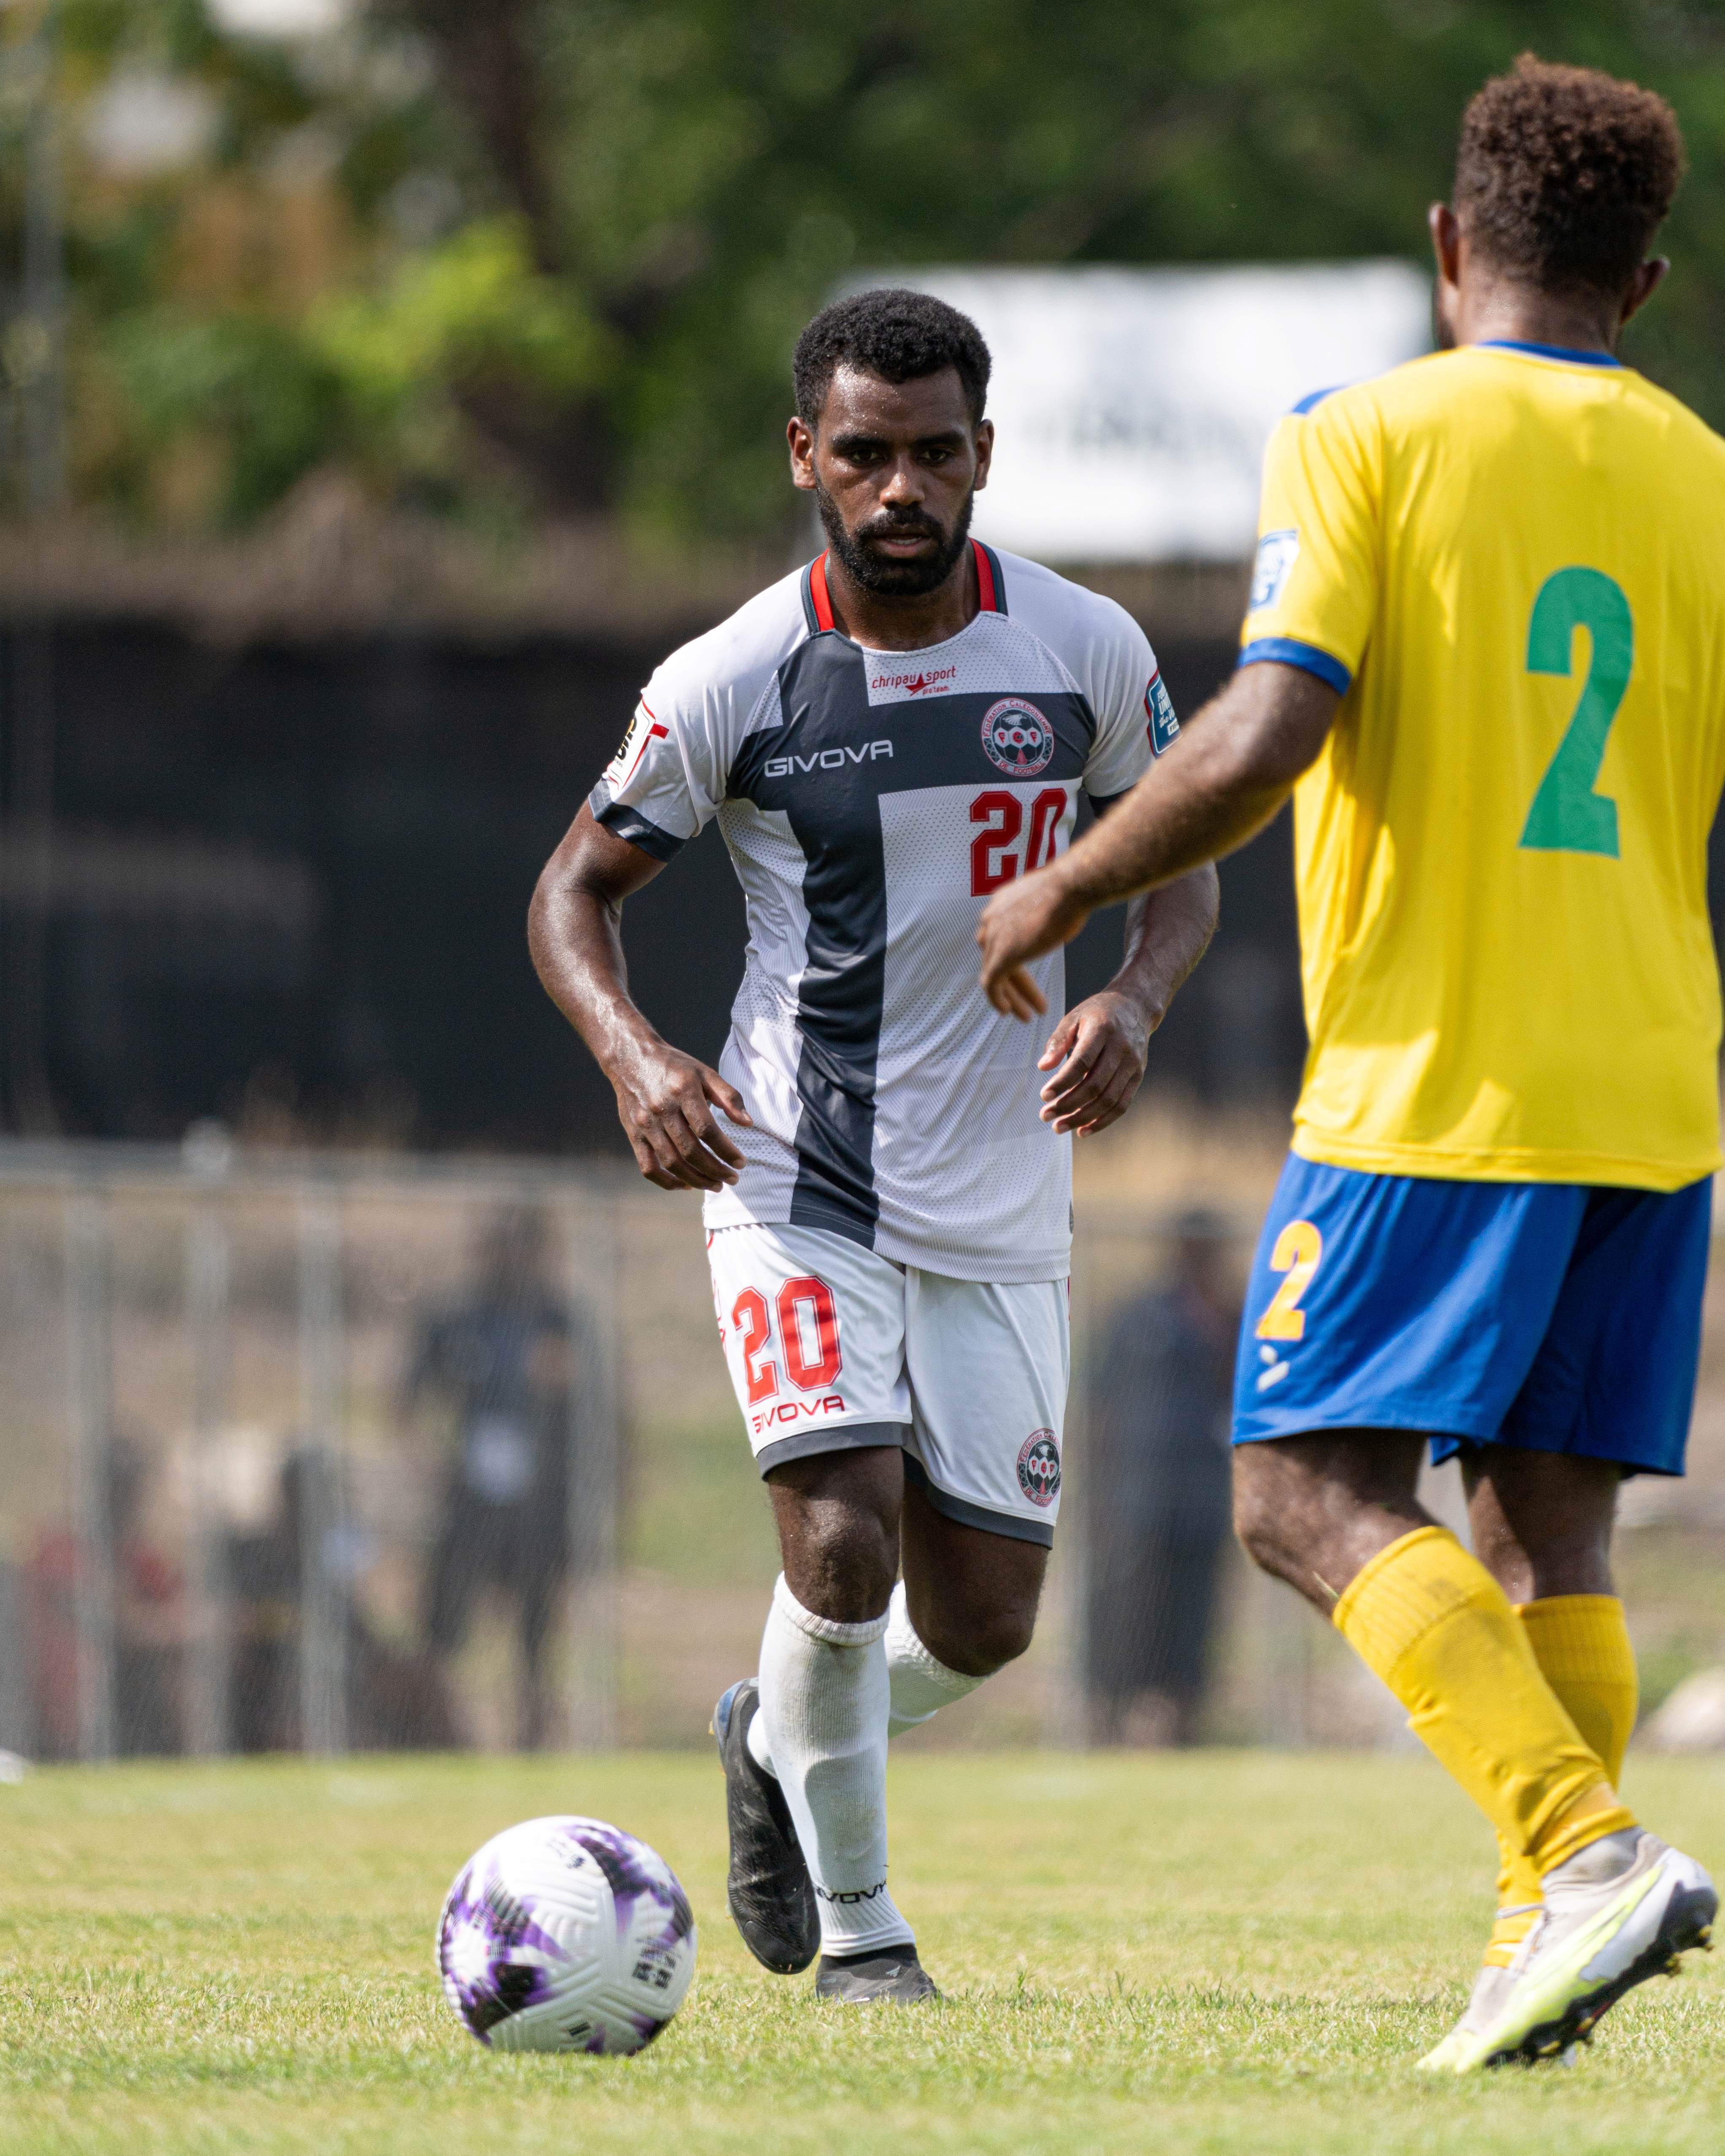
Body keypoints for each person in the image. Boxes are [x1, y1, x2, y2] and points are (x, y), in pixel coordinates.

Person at [977, 55, 1719, 2071]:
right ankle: (1533, 1935)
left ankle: (1574, 1848)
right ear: (1640, 283)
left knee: (1298, 1491)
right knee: (1539, 1523)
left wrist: (1057, 891)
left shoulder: (1359, 432)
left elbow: (1261, 727)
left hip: (1437, 1079)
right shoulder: (1702, 476)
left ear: (1440, 244)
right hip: (1648, 1084)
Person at [529, 288, 1217, 2003]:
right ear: (803, 457)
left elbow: (1178, 860)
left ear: (983, 454)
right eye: (863, 453)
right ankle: (865, 1938)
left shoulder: (1083, 650)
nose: (898, 484)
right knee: (838, 1546)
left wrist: (1130, 1002)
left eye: (931, 452)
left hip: (1004, 1187)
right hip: (797, 1168)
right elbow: (569, 893)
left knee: (982, 1618)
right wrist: (632, 1055)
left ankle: (770, 1731)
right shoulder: (728, 678)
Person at [404, 1206, 581, 1749]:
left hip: (539, 1504)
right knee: (441, 1627)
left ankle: (533, 1739)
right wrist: (423, 1464)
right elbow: (409, 1401)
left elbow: (601, 1414)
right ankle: (433, 1732)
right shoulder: (453, 1318)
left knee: (535, 1635)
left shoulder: (561, 1321)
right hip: (466, 1499)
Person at [1085, 1210, 1237, 1746]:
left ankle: (1184, 1719)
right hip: (1139, 1495)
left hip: (1205, 1496)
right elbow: (1100, 1401)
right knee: (1130, 1607)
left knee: (1195, 1612)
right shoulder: (1139, 1316)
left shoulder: (1230, 1316)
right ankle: (1112, 1714)